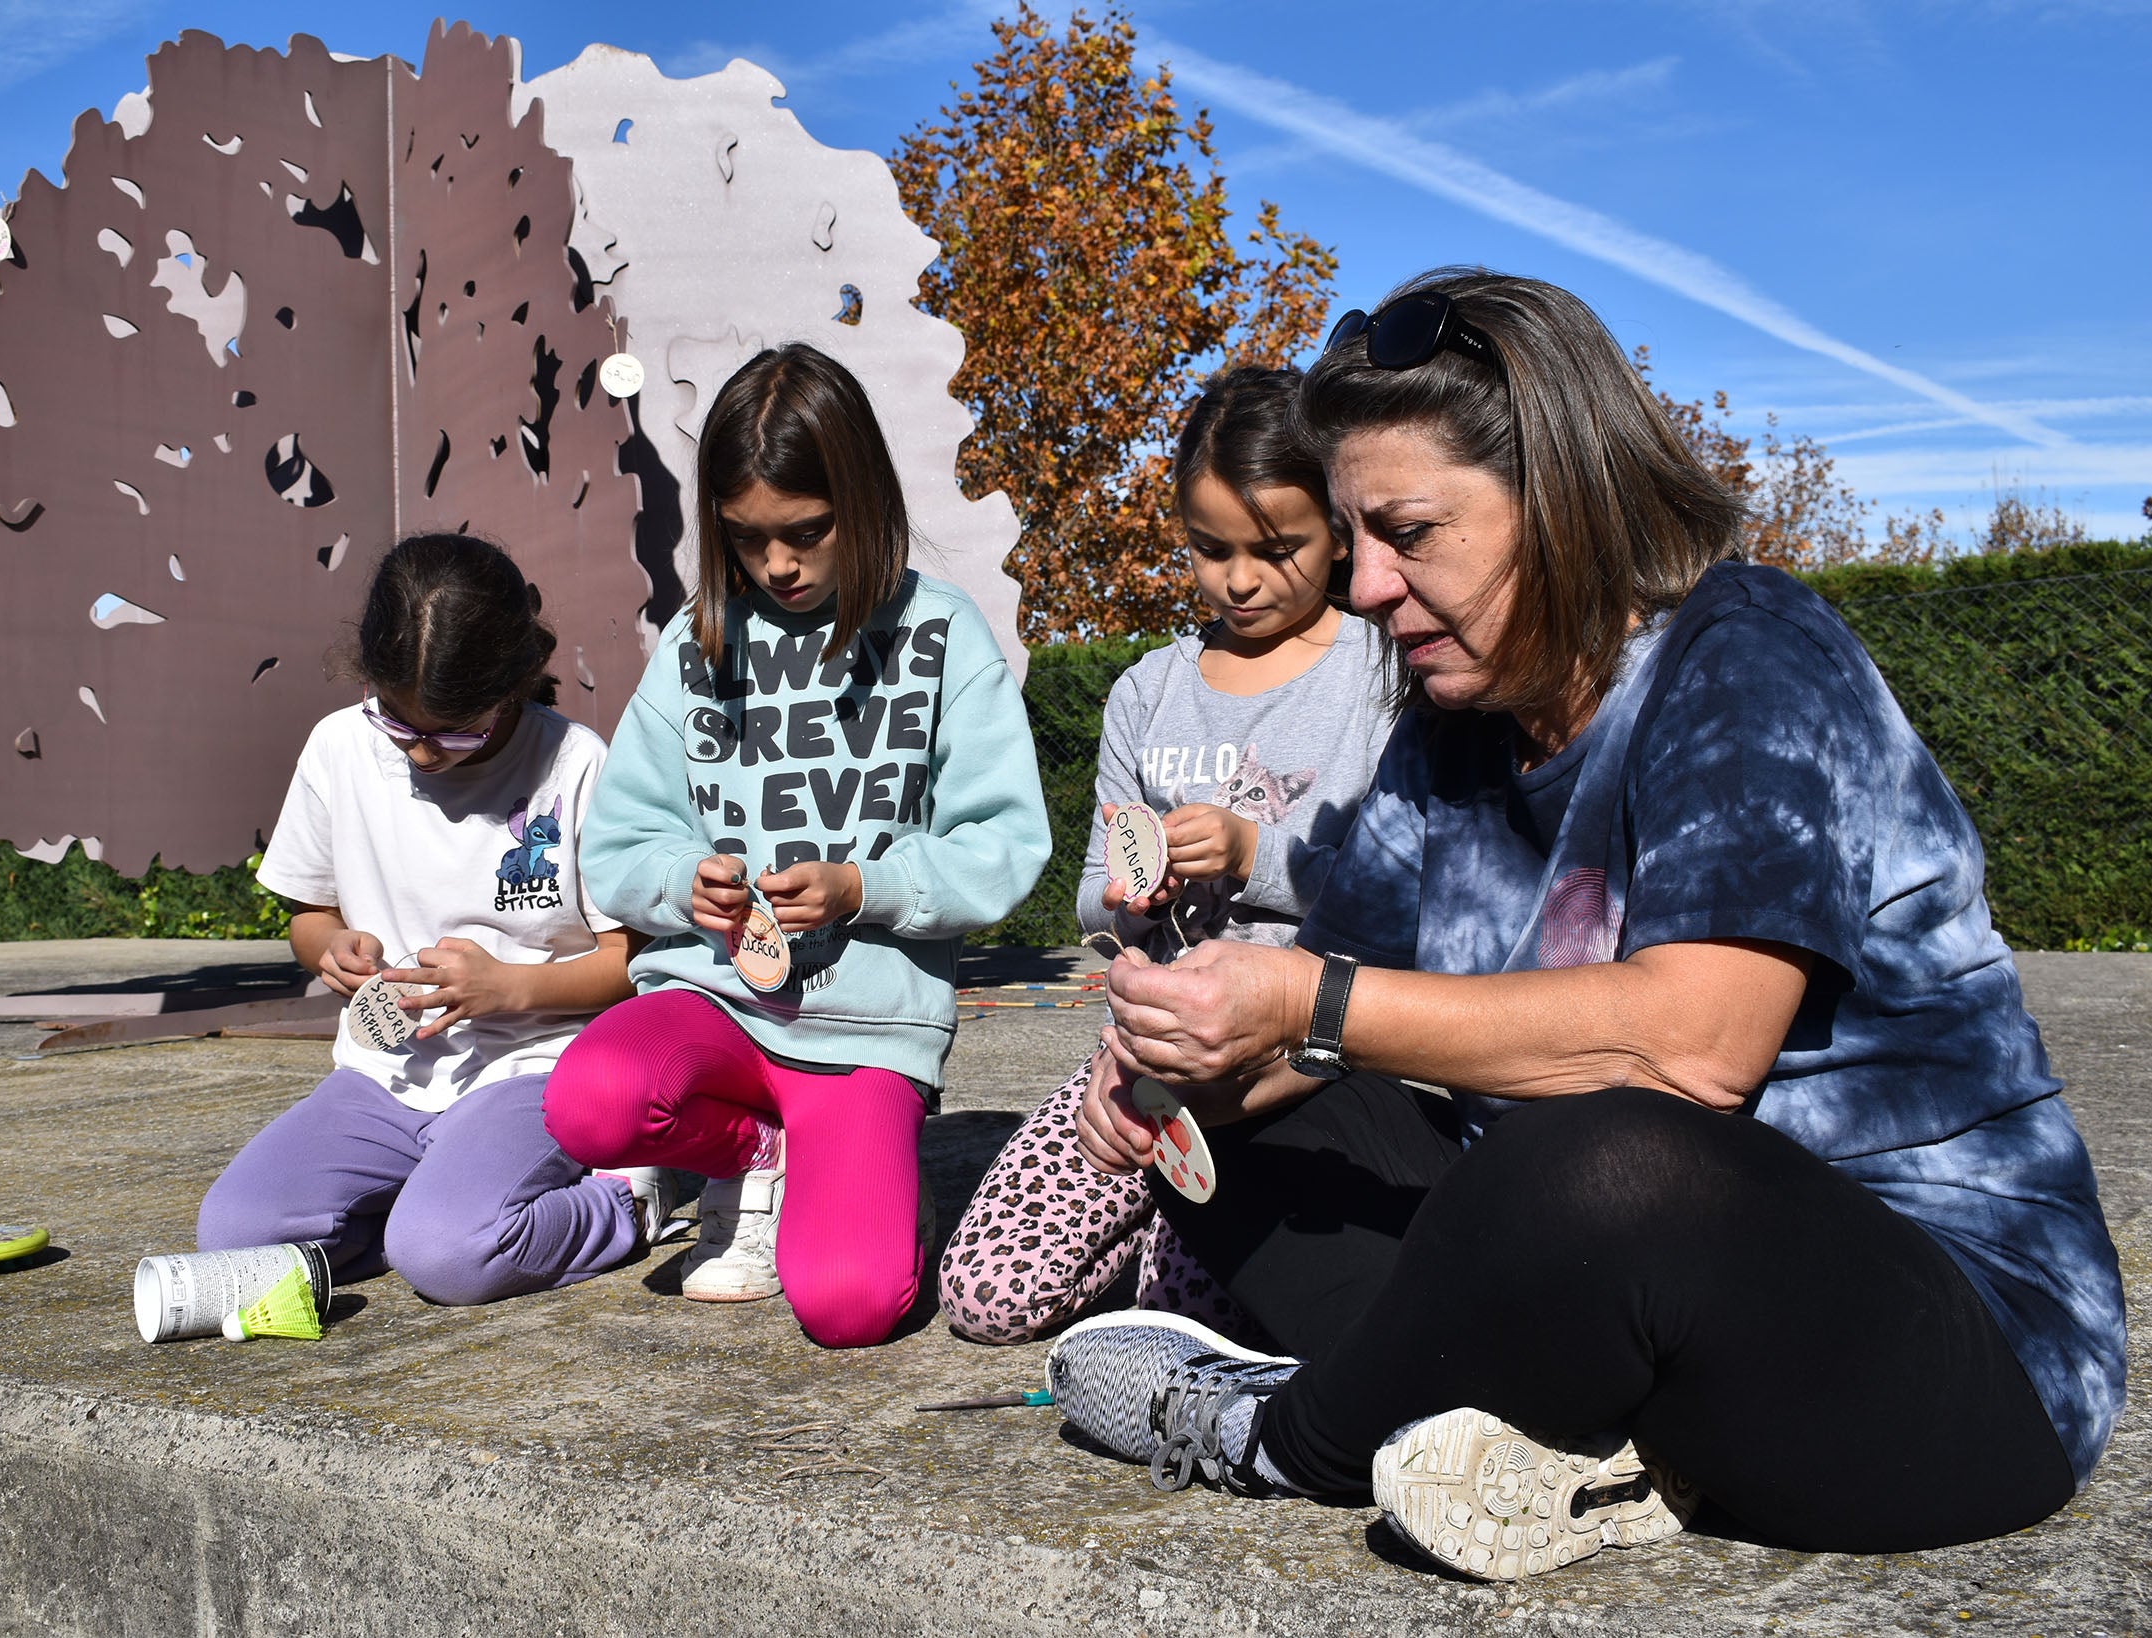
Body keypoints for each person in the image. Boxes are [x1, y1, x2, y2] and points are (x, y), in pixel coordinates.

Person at [1042, 270, 2126, 1582]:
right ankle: (1564, 1452)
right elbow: (1328, 1012)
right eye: (1353, 535)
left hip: (1949, 1347)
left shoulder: (1747, 655)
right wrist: (1184, 1069)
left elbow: (1695, 1049)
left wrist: (1300, 1005)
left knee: (1601, 1150)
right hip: (1621, 1299)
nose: (1366, 585)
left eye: (1408, 531)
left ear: (1560, 495)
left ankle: (1277, 1433)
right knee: (1246, 1124)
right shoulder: (1446, 735)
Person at [543, 342, 1050, 1349]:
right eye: (746, 539)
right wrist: (684, 882)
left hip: (865, 1033)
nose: (777, 564)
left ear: (862, 501)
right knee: (590, 1106)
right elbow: (619, 845)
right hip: (710, 1004)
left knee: (851, 1306)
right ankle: (755, 1156)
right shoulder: (696, 642)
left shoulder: (940, 633)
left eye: (806, 532)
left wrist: (864, 887)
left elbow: (1005, 843)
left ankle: (857, 1175)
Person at [938, 366, 1396, 1346]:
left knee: (1189, 1317)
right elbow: (1095, 907)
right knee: (985, 1296)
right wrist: (1129, 899)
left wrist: (1249, 850)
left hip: (1296, 1067)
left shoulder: (1378, 680)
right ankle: (1146, 1220)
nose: (1239, 580)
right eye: (1209, 548)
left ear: (1337, 529)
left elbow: (1395, 904)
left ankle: (1169, 1246)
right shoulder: (1147, 692)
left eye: (1277, 550)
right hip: (1145, 1058)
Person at [199, 534, 667, 1304]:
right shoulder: (338, 748)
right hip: (381, 1074)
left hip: (531, 1066)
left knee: (448, 1257)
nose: (421, 754)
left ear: (515, 682)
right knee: (238, 1239)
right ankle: (424, 1207)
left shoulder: (575, 763)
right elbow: (309, 915)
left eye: (455, 730)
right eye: (398, 723)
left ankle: (625, 1202)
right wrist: (330, 948)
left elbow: (632, 958)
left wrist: (508, 988)